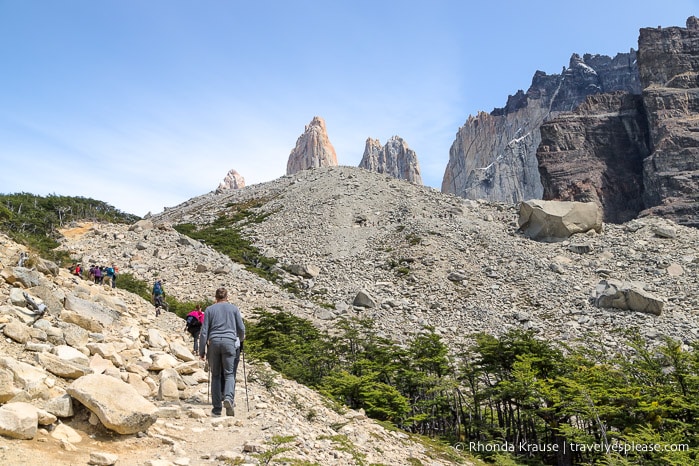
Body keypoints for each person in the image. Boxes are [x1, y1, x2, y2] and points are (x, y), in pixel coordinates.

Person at [199, 288, 245, 417]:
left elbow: (204, 332)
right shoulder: (234, 309)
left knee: (216, 376)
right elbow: (241, 328)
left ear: (216, 297)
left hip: (213, 343)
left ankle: (217, 409)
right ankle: (229, 399)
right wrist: (241, 339)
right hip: (230, 342)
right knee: (229, 374)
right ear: (227, 297)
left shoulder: (209, 310)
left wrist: (202, 350)